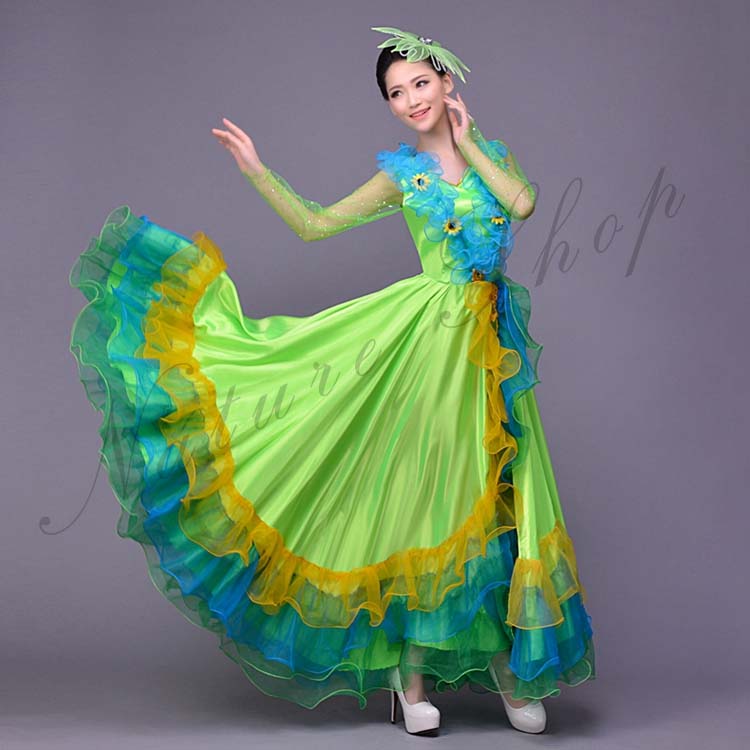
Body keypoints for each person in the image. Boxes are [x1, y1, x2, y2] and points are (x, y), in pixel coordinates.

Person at [68, 26, 595, 737]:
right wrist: (259, 171)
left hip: (491, 352)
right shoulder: (401, 175)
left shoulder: (491, 157)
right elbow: (315, 226)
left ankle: (510, 669)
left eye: (420, 83)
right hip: (425, 350)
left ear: (447, 83)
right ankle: (410, 679)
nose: (411, 99)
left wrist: (469, 144)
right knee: (428, 502)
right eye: (396, 93)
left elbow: (523, 204)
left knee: (503, 498)